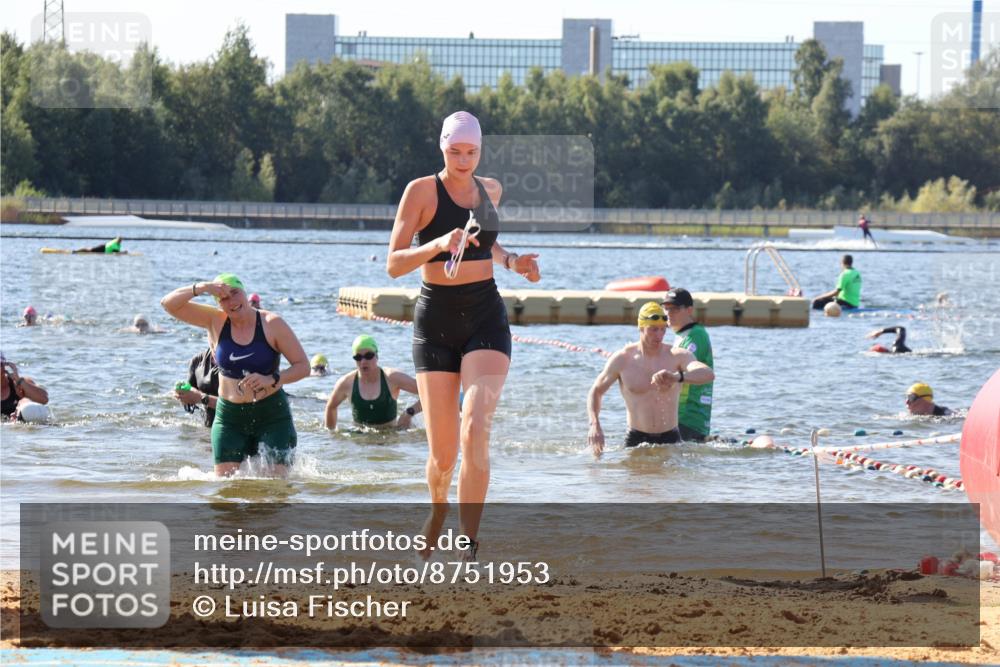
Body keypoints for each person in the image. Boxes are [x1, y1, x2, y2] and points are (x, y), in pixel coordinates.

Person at [386, 110, 540, 559]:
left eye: (471, 152)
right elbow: (394, 262)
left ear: (481, 150)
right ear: (442, 147)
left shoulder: (490, 189)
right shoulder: (420, 191)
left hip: (485, 318)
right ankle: (437, 510)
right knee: (443, 458)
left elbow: (486, 242)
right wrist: (436, 244)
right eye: (455, 152)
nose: (463, 160)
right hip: (434, 324)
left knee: (476, 426)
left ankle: (468, 544)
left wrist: (514, 262)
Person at [160, 273, 309, 477]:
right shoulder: (214, 321)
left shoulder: (271, 323)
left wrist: (272, 379)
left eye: (235, 293)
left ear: (245, 292)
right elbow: (169, 304)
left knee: (275, 493)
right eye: (223, 298)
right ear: (218, 303)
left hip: (272, 416)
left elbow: (303, 366)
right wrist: (203, 287)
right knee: (225, 495)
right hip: (230, 419)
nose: (232, 301)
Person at [588, 302, 715, 456]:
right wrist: (595, 424)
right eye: (653, 329)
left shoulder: (677, 356)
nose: (659, 335)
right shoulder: (623, 359)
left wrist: (677, 377)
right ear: (641, 327)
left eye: (663, 329)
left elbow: (708, 374)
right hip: (636, 439)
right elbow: (596, 391)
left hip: (671, 438)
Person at [324, 335, 422, 430]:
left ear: (377, 356)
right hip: (359, 437)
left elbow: (429, 392)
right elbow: (331, 407)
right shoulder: (346, 383)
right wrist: (330, 437)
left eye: (368, 356)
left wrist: (410, 412)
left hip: (390, 436)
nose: (363, 361)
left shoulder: (392, 378)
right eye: (358, 357)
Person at [662, 288, 714, 442]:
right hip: (679, 416)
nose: (669, 313)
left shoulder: (695, 335)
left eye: (675, 309)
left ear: (689, 310)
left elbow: (681, 369)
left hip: (689, 417)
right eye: (666, 308)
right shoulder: (681, 336)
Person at [175, 347, 220, 427]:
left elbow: (241, 408)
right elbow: (189, 405)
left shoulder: (242, 361)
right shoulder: (197, 361)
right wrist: (183, 396)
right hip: (206, 430)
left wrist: (201, 398)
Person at [1, 356, 49, 421]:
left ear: (5, 366)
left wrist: (18, 380)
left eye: (0, 364)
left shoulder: (18, 384)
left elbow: (44, 399)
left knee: (26, 402)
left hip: (18, 426)